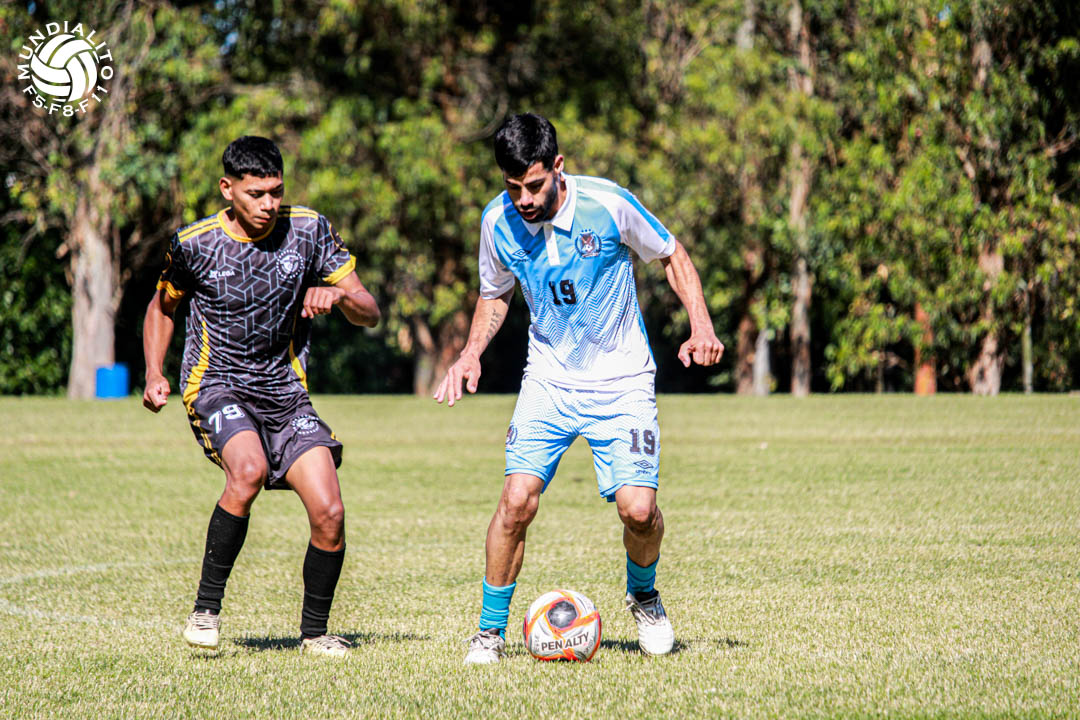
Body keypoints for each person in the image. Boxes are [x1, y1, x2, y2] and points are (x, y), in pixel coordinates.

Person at [434, 113, 724, 664]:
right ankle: (489, 634)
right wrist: (471, 353)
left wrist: (702, 325)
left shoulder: (607, 204)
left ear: (558, 167)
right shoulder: (496, 221)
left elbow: (672, 254)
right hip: (549, 380)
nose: (523, 199)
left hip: (622, 381)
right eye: (513, 187)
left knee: (639, 511)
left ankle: (644, 596)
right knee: (515, 501)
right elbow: (494, 293)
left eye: (534, 185)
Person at [142, 136, 380, 657]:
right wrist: (154, 372)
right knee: (247, 471)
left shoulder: (309, 230)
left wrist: (340, 296)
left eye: (276, 192)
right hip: (216, 384)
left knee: (330, 511)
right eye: (256, 194)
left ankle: (315, 634)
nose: (269, 204)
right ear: (227, 189)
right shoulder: (195, 244)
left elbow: (370, 310)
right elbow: (162, 309)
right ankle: (205, 612)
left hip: (285, 394)